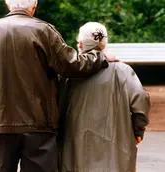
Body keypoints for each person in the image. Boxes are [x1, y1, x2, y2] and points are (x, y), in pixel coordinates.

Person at [0, 1, 117, 172]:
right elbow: (72, 65)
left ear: (7, 4)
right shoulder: (44, 30)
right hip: (39, 125)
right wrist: (99, 57)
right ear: (34, 6)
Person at [58, 22, 151, 172]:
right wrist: (137, 130)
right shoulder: (123, 70)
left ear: (80, 44)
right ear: (104, 43)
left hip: (75, 151)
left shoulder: (68, 75)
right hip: (116, 154)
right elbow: (141, 98)